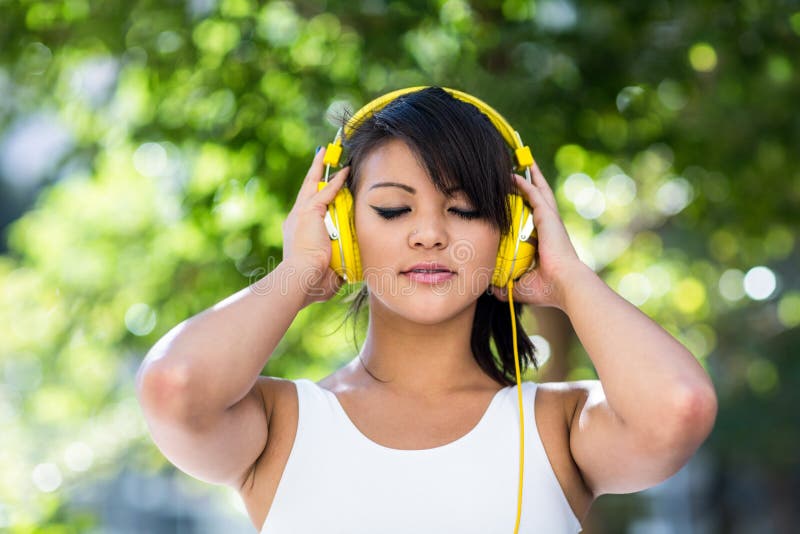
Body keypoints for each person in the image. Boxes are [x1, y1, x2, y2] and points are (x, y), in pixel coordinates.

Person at [135, 87, 718, 533]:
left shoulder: (558, 427)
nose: (431, 235)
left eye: (464, 210)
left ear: (511, 236)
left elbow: (679, 406)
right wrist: (296, 274)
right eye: (393, 210)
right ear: (343, 227)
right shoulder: (280, 424)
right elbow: (173, 385)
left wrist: (567, 278)